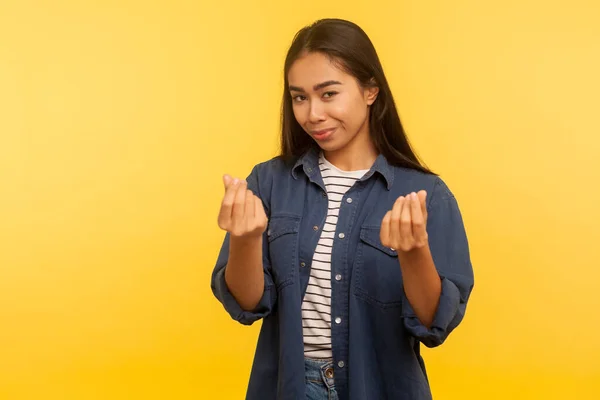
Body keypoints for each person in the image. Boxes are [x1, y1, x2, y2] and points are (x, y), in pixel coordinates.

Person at [211, 18, 474, 400]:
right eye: (299, 97)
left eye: (328, 94)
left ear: (370, 91)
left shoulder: (425, 194)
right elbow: (247, 305)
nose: (312, 113)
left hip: (378, 387)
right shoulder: (268, 182)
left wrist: (414, 252)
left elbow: (436, 323)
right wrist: (245, 239)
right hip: (288, 386)